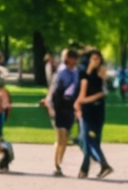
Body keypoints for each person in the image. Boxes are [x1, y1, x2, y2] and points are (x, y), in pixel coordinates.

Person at [43, 47, 81, 177]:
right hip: (58, 106)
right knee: (61, 136)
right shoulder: (60, 73)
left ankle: (59, 163)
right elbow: (54, 91)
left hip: (70, 107)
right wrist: (51, 107)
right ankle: (56, 165)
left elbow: (77, 91)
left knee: (64, 140)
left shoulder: (76, 73)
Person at [76, 50, 113, 179]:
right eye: (93, 58)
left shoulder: (101, 74)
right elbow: (82, 95)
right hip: (87, 110)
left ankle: (88, 169)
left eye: (98, 59)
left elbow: (107, 90)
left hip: (98, 111)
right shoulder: (84, 75)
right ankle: (100, 165)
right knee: (85, 140)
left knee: (93, 141)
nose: (96, 61)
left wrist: (105, 79)